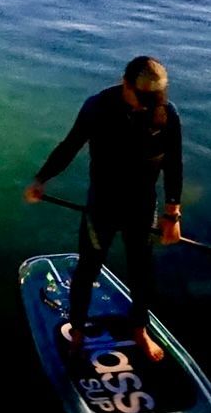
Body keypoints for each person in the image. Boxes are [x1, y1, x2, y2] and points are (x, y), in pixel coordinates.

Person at [24, 56, 183, 362]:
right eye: (144, 97)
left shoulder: (166, 113)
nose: (148, 105)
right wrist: (41, 179)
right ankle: (79, 330)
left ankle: (139, 329)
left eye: (155, 98)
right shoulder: (98, 108)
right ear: (125, 83)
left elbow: (173, 164)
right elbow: (70, 146)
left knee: (142, 272)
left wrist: (172, 214)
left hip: (142, 205)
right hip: (103, 205)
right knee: (88, 267)